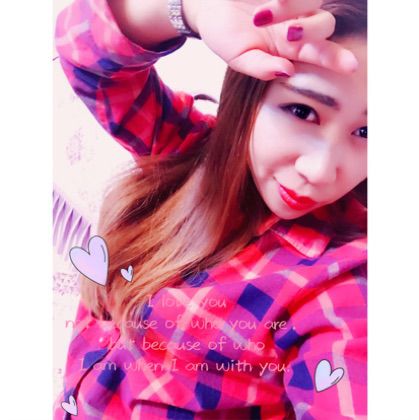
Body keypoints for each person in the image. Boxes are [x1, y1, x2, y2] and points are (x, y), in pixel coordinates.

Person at [53, 0, 367, 418]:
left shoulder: (340, 284)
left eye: (368, 132)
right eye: (302, 111)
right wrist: (192, 9)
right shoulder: (187, 149)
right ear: (250, 93)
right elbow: (84, 53)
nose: (321, 171)